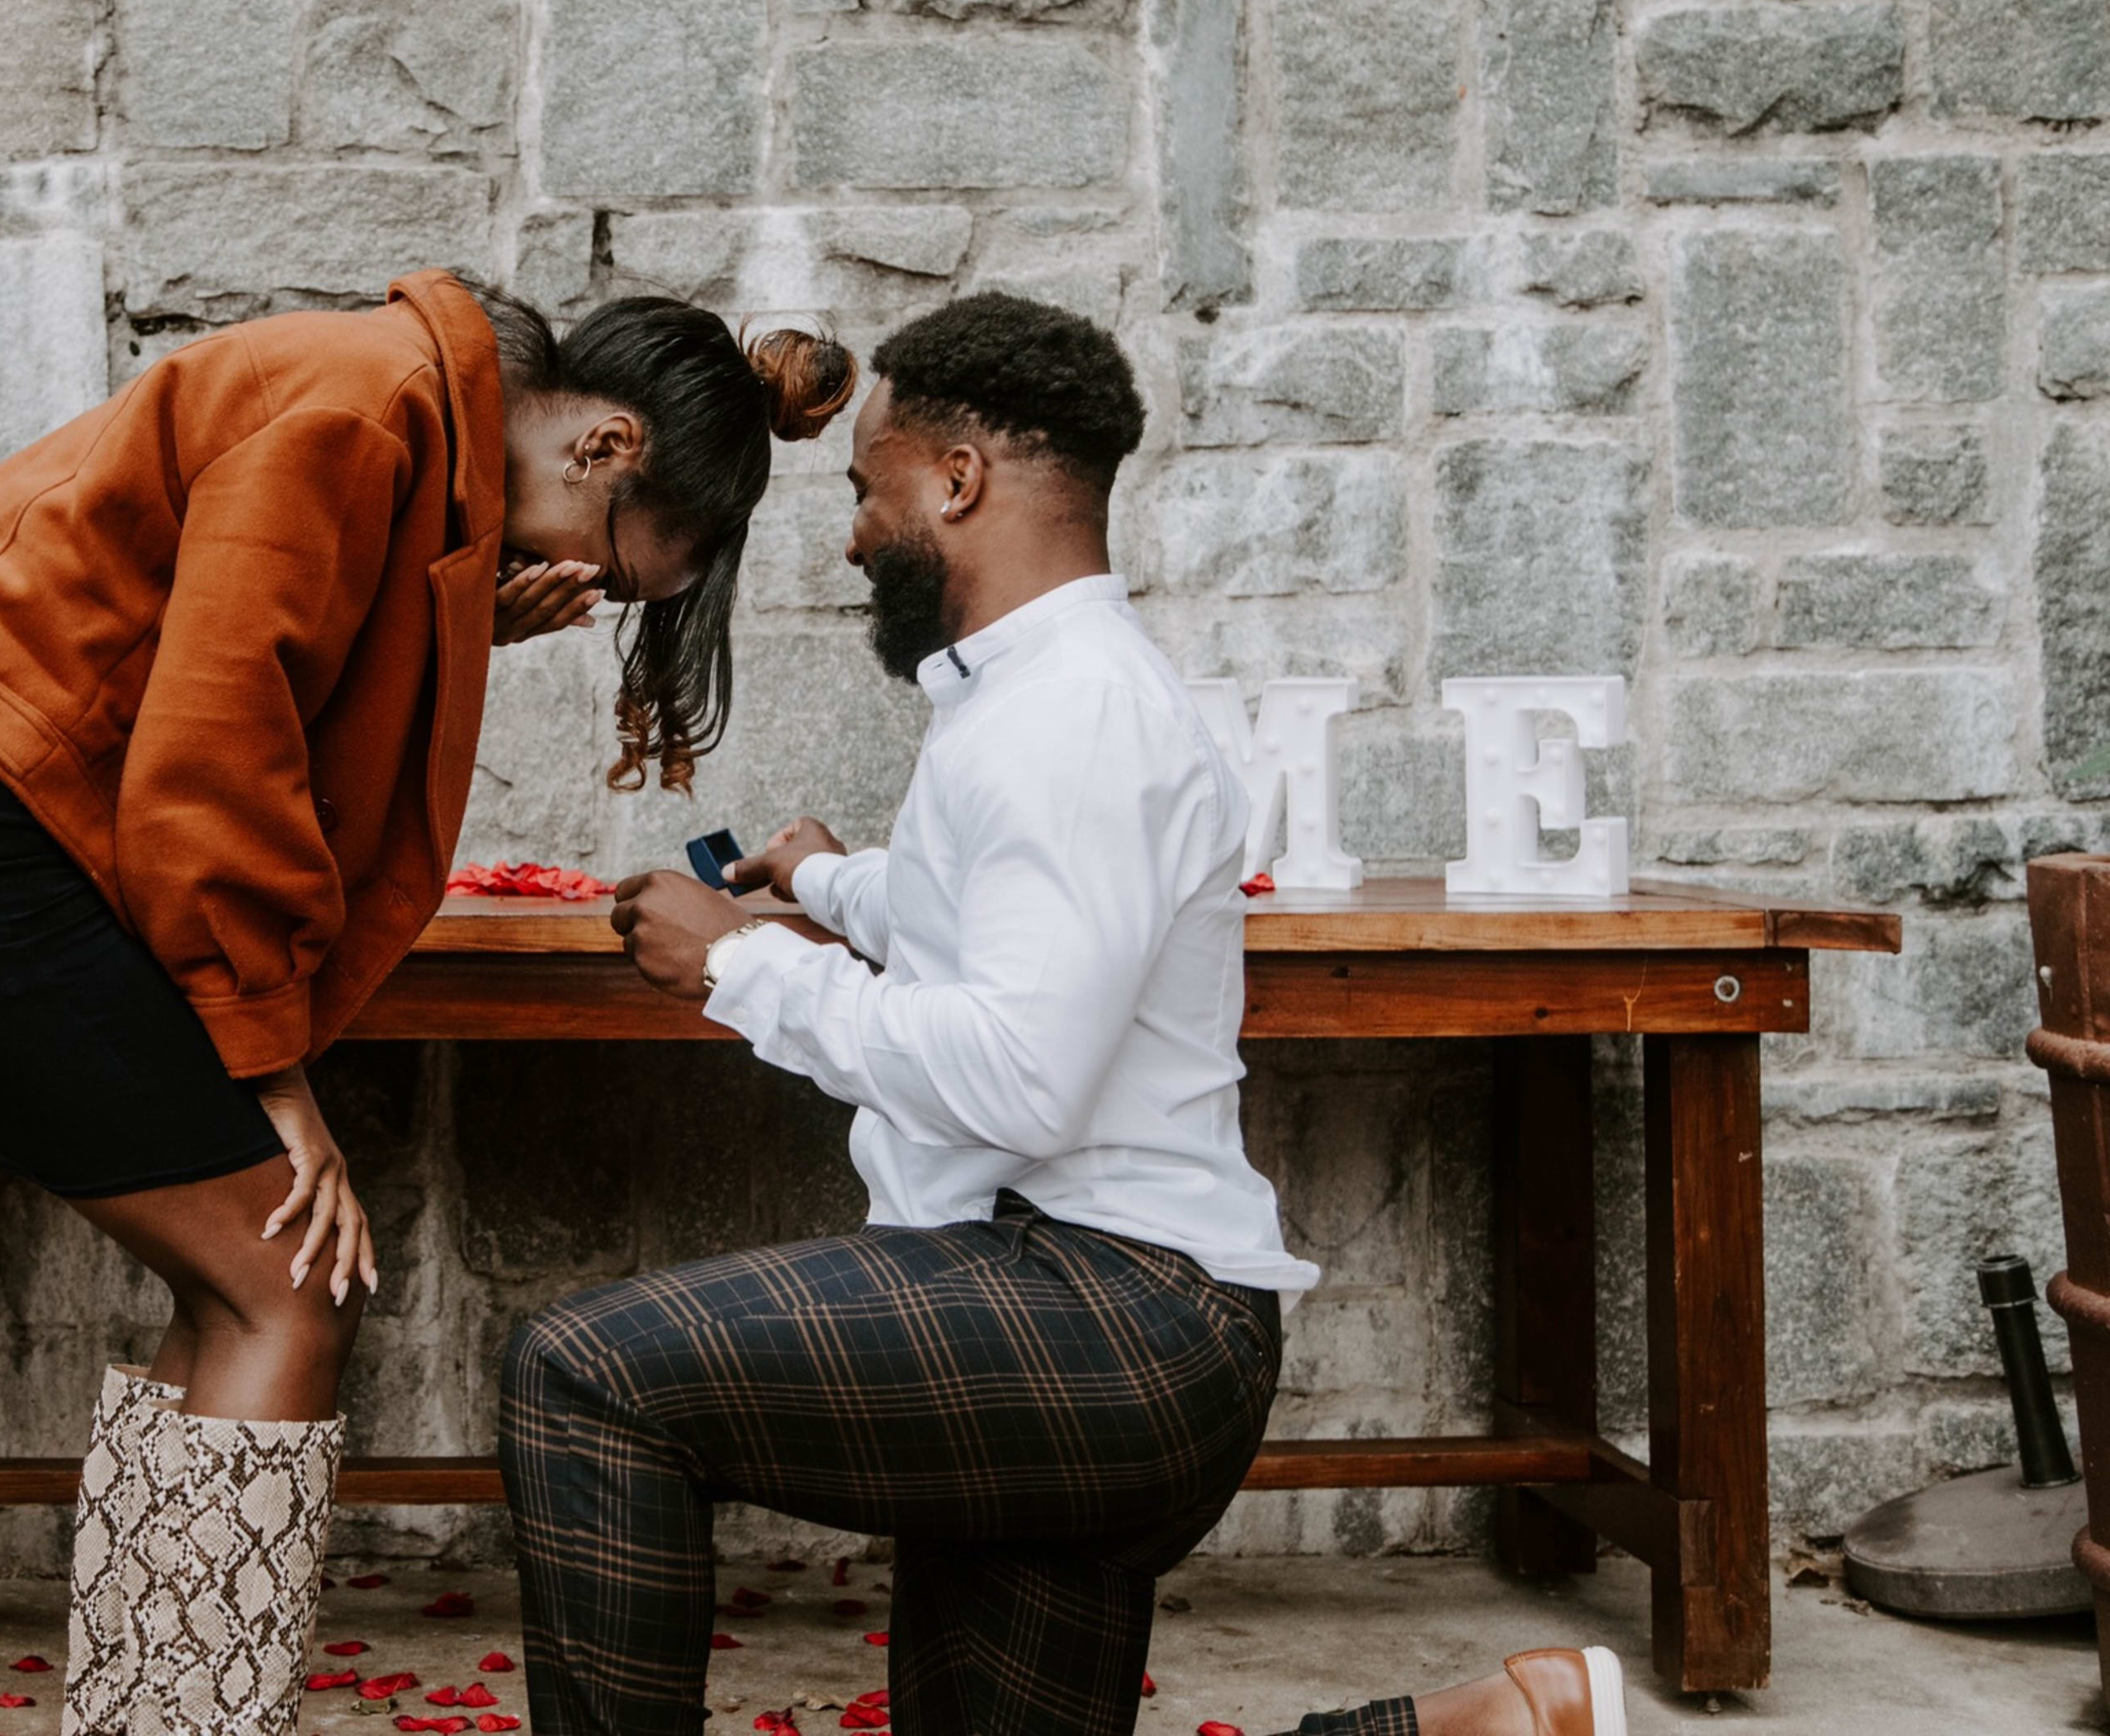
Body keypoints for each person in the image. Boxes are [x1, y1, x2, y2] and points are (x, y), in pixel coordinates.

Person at [0, 268, 855, 1736]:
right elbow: (217, 750)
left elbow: (254, 662)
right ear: (604, 447)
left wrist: (467, 617)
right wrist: (274, 1080)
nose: (590, 599)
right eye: (614, 574)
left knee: (239, 1282)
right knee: (292, 1277)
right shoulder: (370, 406)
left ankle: (153, 1715)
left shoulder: (395, 423)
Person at [513, 293, 1634, 1736]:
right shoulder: (1030, 699)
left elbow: (1021, 1077)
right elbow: (1011, 934)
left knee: (586, 1378)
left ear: (958, 481)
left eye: (867, 490)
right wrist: (833, 885)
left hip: (1111, 1319)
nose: (854, 534)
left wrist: (739, 967)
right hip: (1079, 1306)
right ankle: (1486, 1726)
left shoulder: (1075, 716)